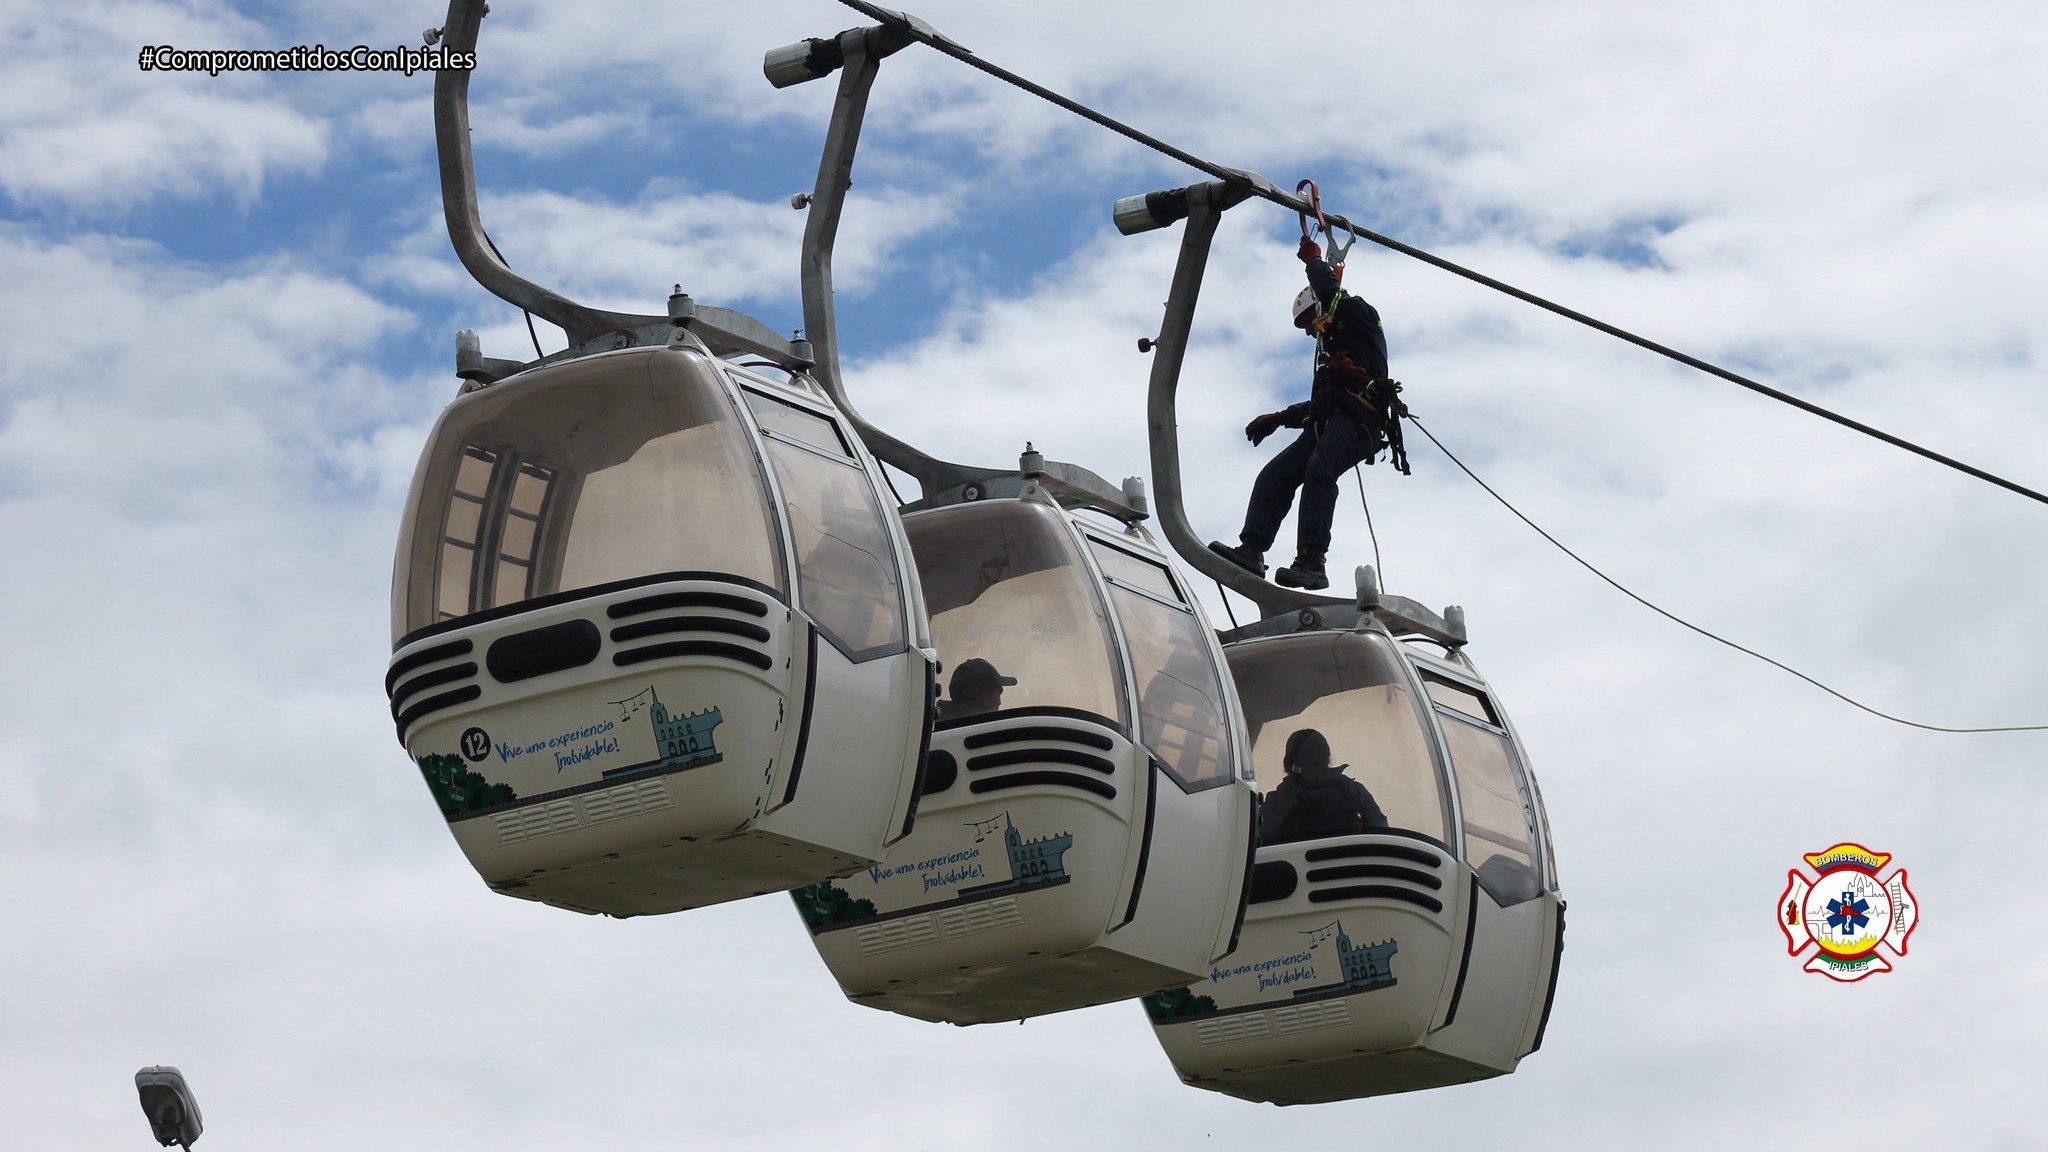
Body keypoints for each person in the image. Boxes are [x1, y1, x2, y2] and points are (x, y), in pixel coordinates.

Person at [1209, 236, 1406, 591]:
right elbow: (1322, 405)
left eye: (1312, 324)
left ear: (1323, 310)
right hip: (1327, 423)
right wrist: (1280, 417)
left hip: (1358, 423)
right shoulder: (1333, 353)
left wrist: (1314, 261)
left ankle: (1312, 562)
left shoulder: (1361, 317)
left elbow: (1332, 294)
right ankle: (1252, 550)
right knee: (1275, 475)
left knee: (1320, 470)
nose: (1314, 334)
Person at [1258, 728, 1388, 845]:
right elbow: (1382, 834)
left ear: (1290, 762)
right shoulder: (1353, 790)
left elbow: (1259, 839)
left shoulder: (1282, 797)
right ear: (1327, 757)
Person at [937, 657, 1016, 720]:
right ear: (987, 698)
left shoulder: (937, 729)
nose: (999, 702)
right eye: (998, 693)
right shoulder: (980, 734)